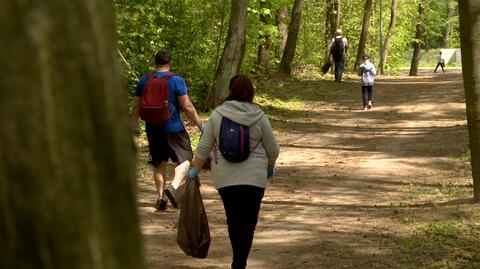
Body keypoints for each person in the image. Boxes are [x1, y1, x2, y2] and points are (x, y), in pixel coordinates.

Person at [187, 75, 280, 269]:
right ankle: (240, 262)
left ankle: (238, 261)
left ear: (230, 90)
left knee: (234, 219)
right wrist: (270, 165)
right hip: (254, 178)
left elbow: (204, 148)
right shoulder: (259, 116)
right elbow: (273, 149)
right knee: (249, 222)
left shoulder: (218, 114)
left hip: (226, 178)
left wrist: (195, 170)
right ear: (251, 91)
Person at [131, 49, 206, 211]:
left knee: (159, 163)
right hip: (173, 128)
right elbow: (187, 106)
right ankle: (173, 186)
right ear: (169, 63)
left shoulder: (144, 80)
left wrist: (134, 125)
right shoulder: (176, 80)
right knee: (185, 159)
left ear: (155, 62)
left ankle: (160, 198)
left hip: (152, 128)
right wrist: (201, 125)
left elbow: (135, 106)